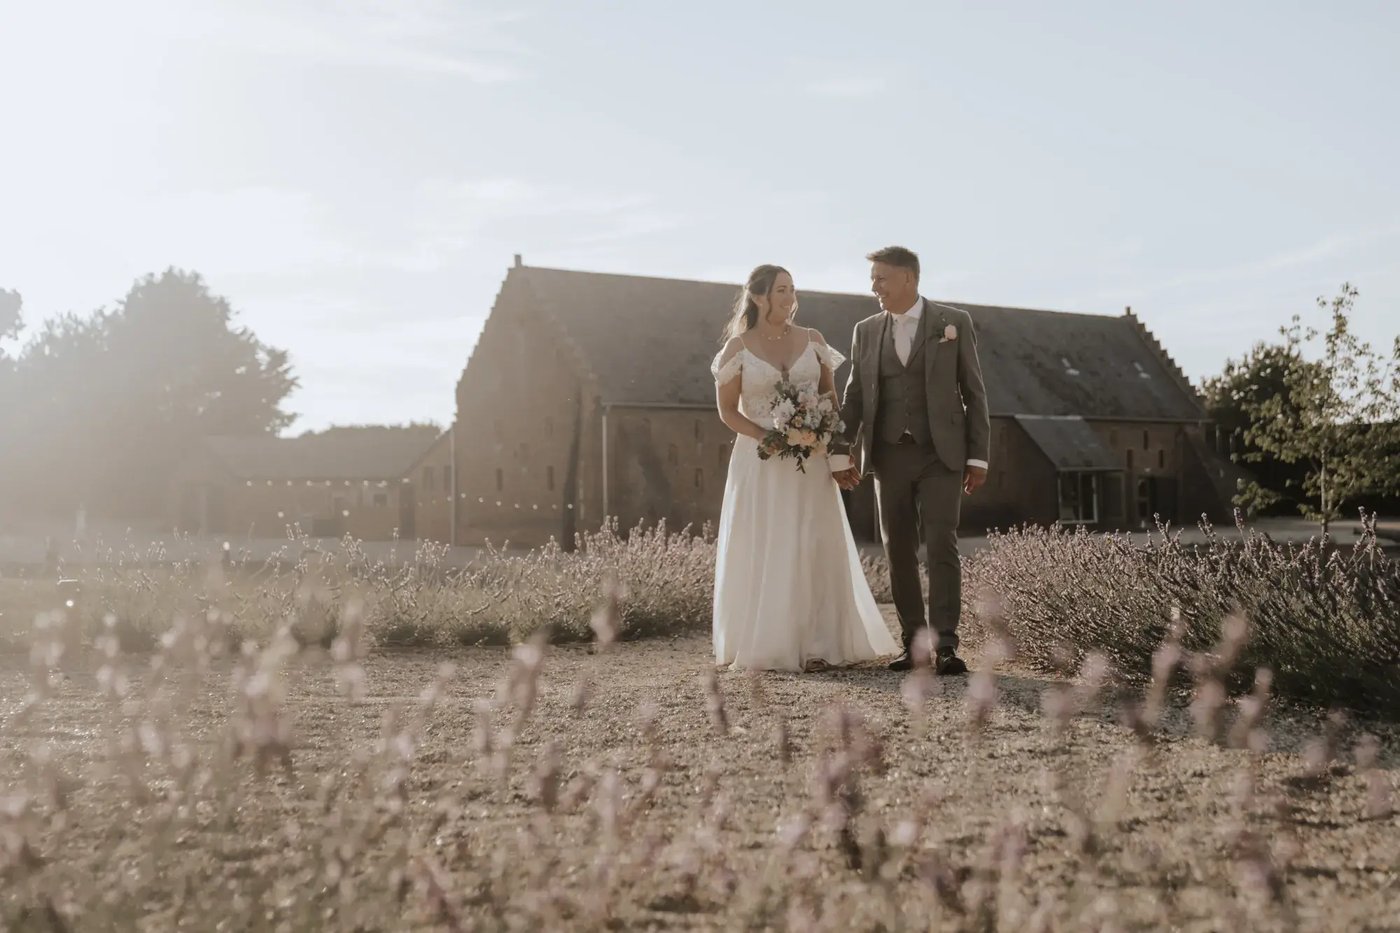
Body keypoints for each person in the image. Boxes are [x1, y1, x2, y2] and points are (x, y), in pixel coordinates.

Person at [710, 264, 899, 672]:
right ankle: (771, 640)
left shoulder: (813, 341)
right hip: (760, 461)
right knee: (770, 542)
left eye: (793, 289)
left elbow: (831, 399)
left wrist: (833, 451)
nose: (790, 297)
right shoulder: (737, 349)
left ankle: (820, 641)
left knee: (813, 540)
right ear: (759, 297)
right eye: (781, 289)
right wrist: (768, 437)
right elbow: (727, 411)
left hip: (810, 458)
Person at [830, 246, 990, 674]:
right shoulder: (865, 331)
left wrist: (979, 456)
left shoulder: (953, 322)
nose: (873, 286)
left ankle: (948, 646)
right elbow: (855, 395)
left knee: (942, 543)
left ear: (908, 279)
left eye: (881, 278)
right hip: (888, 454)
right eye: (873, 278)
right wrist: (840, 448)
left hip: (942, 453)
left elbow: (974, 391)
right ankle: (914, 644)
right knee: (897, 548)